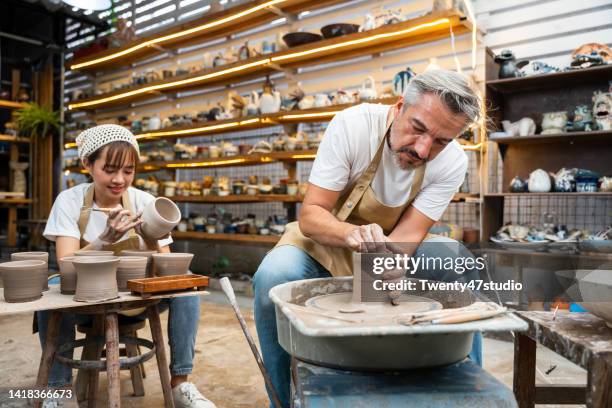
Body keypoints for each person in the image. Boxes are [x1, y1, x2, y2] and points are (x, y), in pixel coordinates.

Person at [253, 69, 484, 407]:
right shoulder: (353, 125)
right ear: (399, 106)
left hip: (387, 246)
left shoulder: (452, 162)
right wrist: (352, 233)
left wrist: (390, 265)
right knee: (273, 276)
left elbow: (408, 236)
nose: (422, 149)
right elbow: (312, 215)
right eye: (418, 129)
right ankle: (284, 400)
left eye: (440, 141)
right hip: (324, 240)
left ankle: (466, 390)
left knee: (453, 259)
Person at [39, 125, 215, 408]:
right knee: (49, 290)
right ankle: (59, 392)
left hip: (136, 298)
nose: (119, 179)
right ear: (87, 164)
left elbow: (169, 268)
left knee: (188, 287)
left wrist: (152, 237)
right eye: (109, 169)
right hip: (85, 300)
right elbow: (66, 266)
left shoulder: (145, 203)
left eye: (128, 171)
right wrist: (103, 241)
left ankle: (181, 384)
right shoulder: (69, 201)